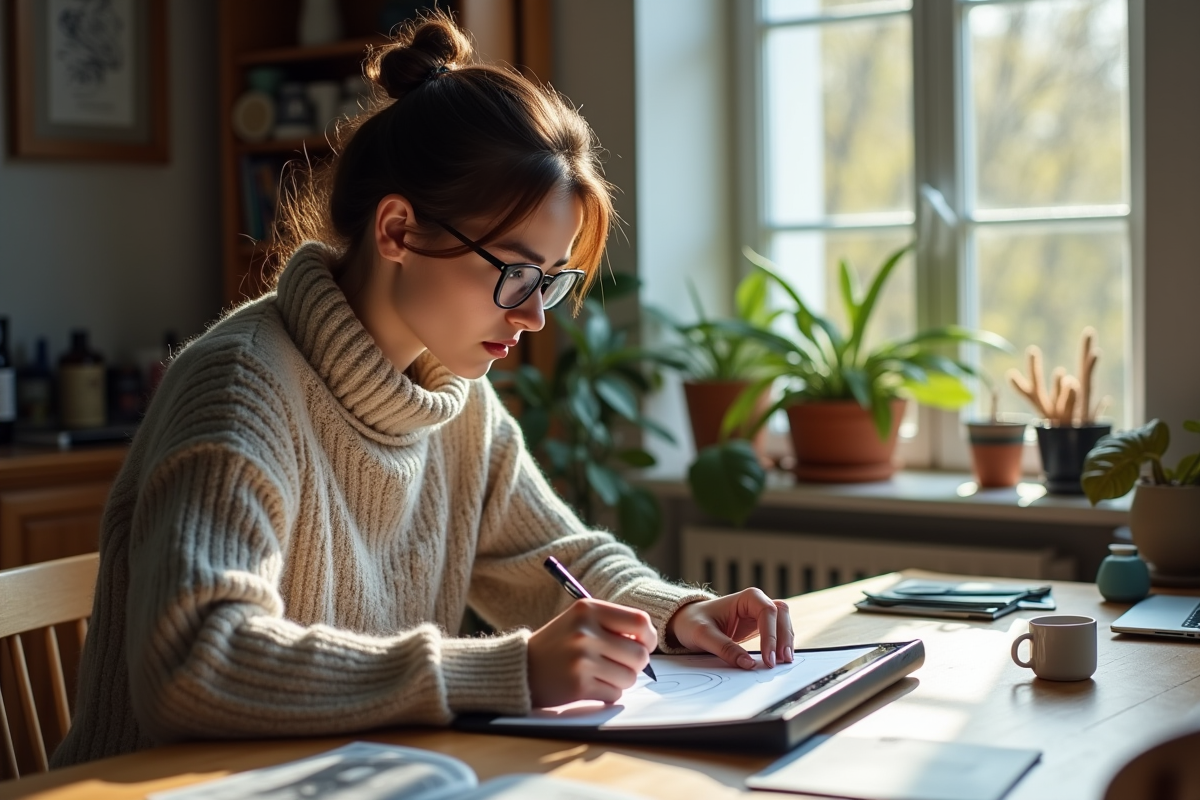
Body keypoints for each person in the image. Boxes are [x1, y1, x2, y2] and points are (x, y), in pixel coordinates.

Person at [51, 12, 794, 768]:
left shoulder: (453, 395)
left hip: (354, 780)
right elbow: (193, 664)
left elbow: (553, 556)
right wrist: (506, 672)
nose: (535, 315)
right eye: (515, 272)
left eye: (552, 280)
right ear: (399, 231)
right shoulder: (240, 387)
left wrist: (679, 614)